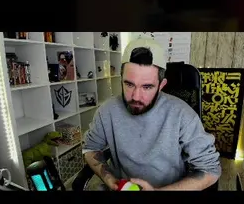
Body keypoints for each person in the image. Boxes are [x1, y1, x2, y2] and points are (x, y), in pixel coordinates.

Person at [82, 37, 222, 191]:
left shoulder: (183, 115)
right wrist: (111, 180)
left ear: (161, 85)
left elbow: (210, 170)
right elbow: (90, 148)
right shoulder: (107, 111)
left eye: (147, 87)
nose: (136, 96)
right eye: (129, 84)